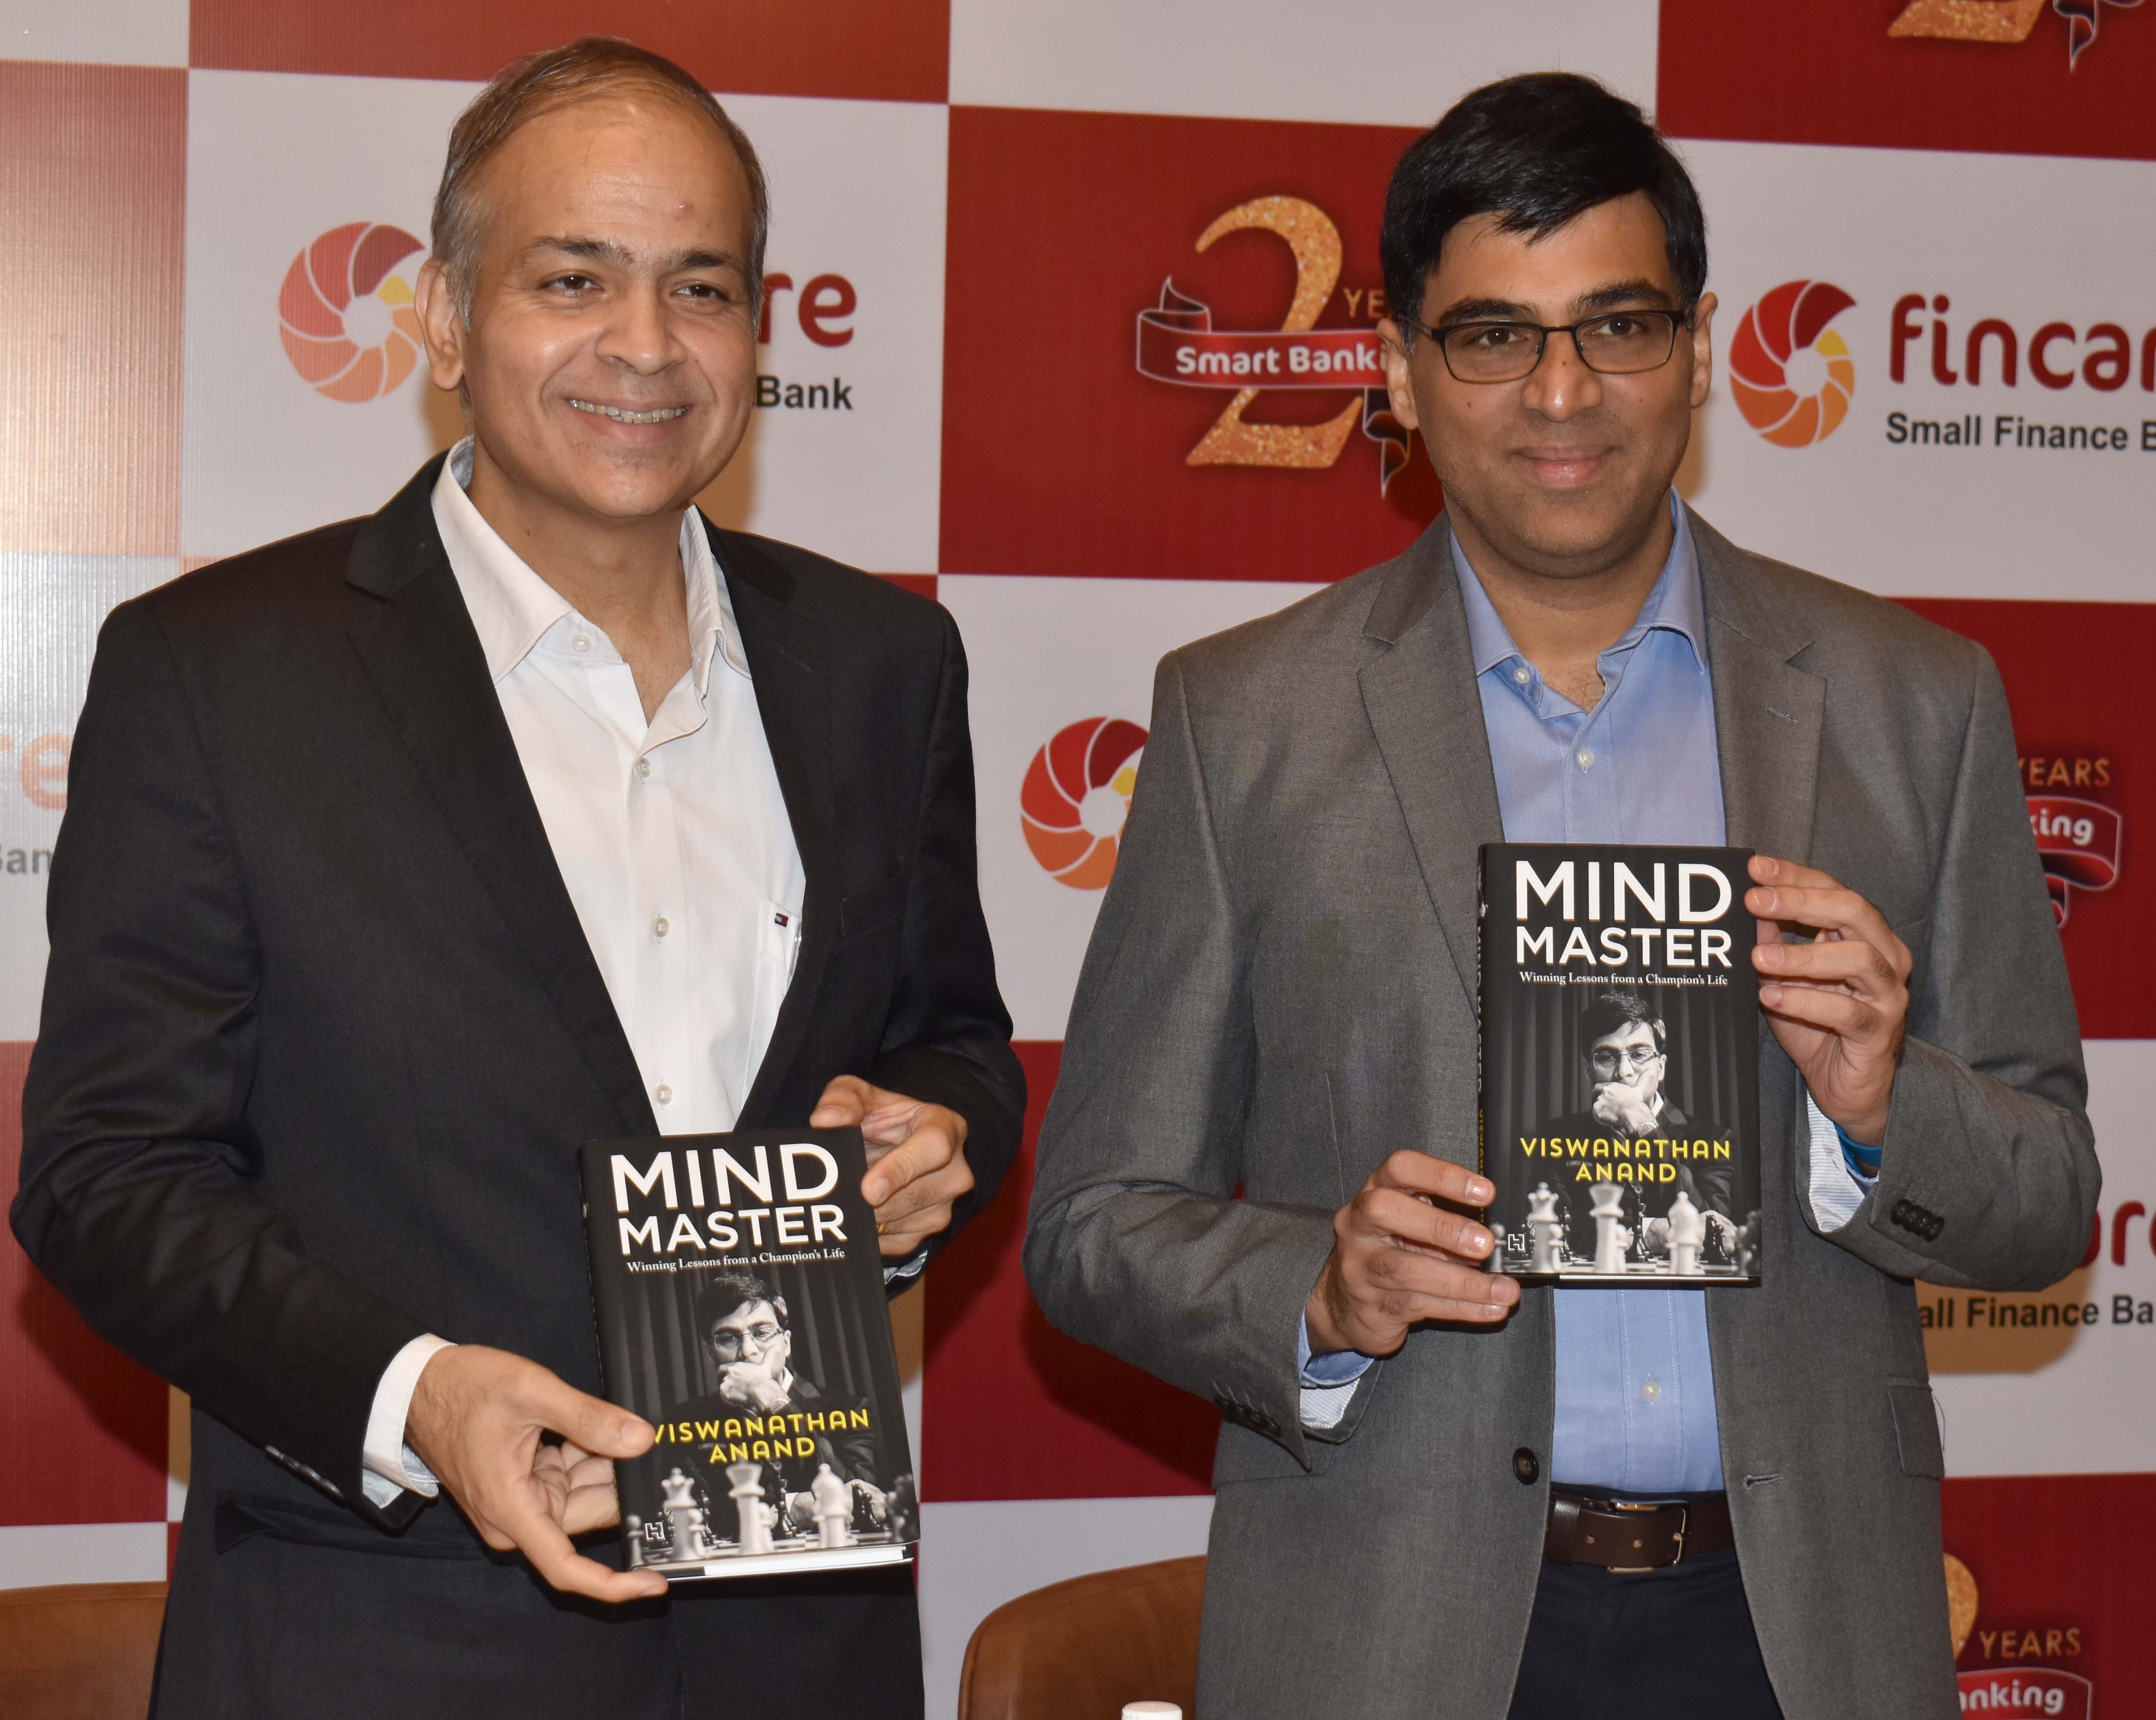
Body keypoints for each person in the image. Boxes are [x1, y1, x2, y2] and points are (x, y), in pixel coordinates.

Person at [1024, 72, 2095, 1720]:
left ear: (1698, 347)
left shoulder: (1911, 699)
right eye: (1492, 335)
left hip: (1794, 1631)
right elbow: (1094, 1224)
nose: (1562, 389)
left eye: (1617, 324)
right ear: (1396, 366)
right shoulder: (1243, 719)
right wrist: (1317, 1289)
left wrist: (1884, 1109)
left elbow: (2040, 1199)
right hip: (1394, 1625)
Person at [11, 37, 1022, 1720]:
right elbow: (109, 1174)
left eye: (701, 287)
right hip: (388, 1640)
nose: (645, 344)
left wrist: (929, 1141)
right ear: (442, 318)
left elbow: (951, 1037)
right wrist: (417, 1396)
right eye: (576, 278)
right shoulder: (220, 670)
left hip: (801, 1633)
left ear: (761, 330)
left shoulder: (882, 663)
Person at [658, 1270, 889, 1537]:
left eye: (762, 1332)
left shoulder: (849, 1409)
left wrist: (773, 1400)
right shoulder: (684, 1422)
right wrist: (796, 1509)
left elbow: (863, 1501)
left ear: (786, 1343)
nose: (748, 1351)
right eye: (728, 1338)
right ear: (712, 1353)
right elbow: (693, 1517)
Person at [1530, 986, 1739, 1265]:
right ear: (1588, 1071)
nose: (1624, 1072)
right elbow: (1556, 1230)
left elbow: (1715, 1231)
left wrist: (1642, 1122)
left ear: (1661, 1067)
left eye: (1639, 1055)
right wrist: (1653, 1232)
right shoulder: (1555, 1137)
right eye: (1606, 1057)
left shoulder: (1713, 1138)